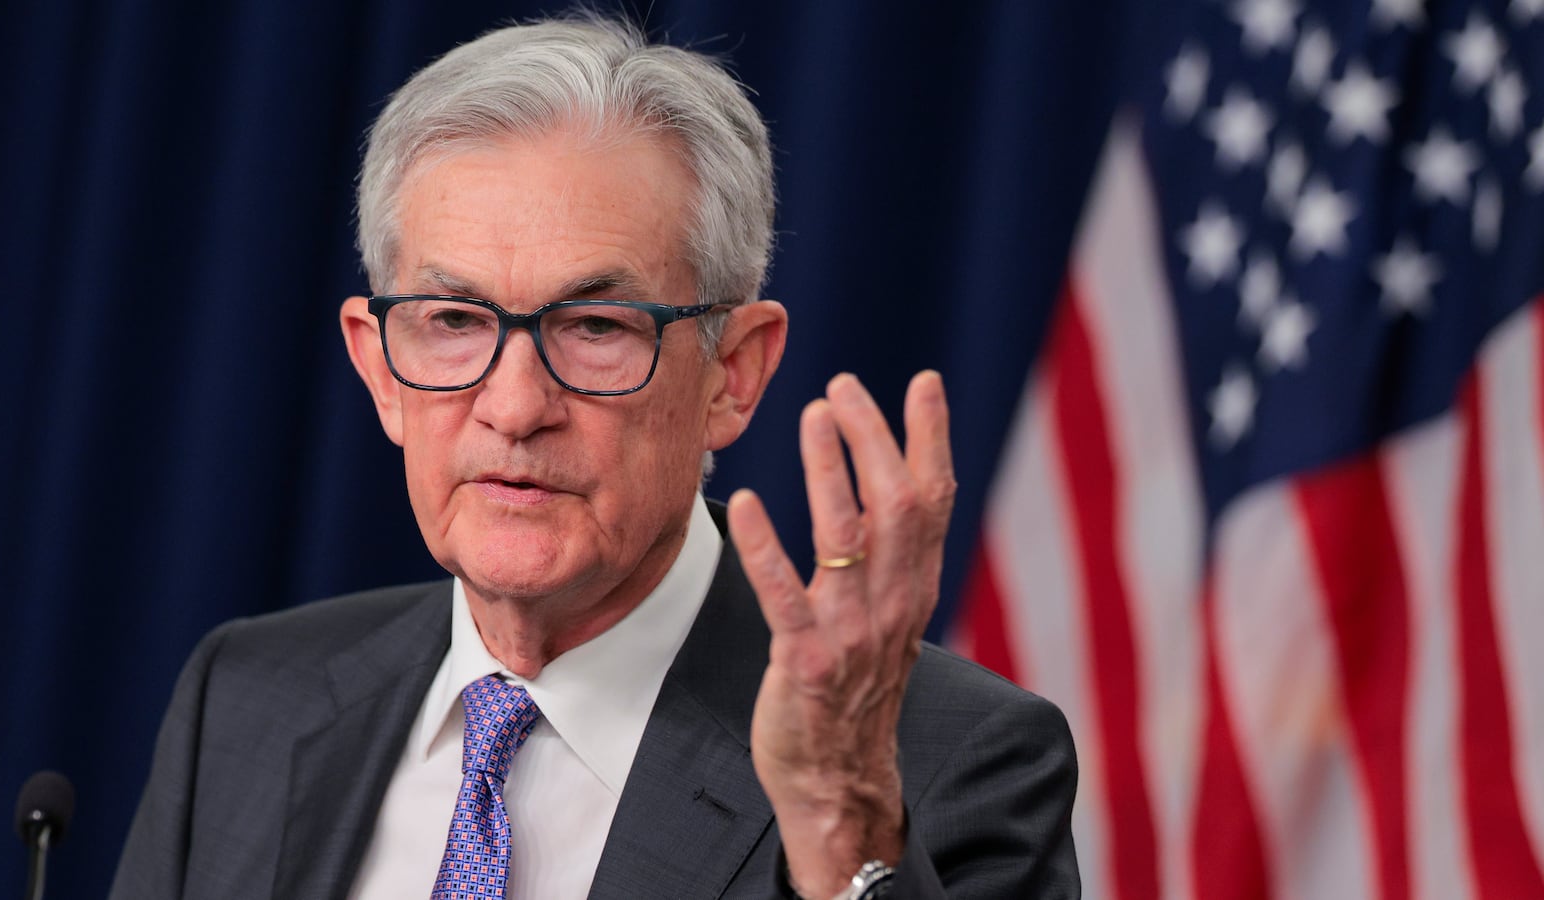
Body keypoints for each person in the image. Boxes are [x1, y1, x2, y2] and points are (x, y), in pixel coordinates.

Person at [111, 13, 1078, 900]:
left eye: (596, 326)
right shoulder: (243, 700)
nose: (515, 406)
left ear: (732, 375)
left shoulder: (942, 764)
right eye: (453, 319)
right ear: (379, 368)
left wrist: (838, 823)